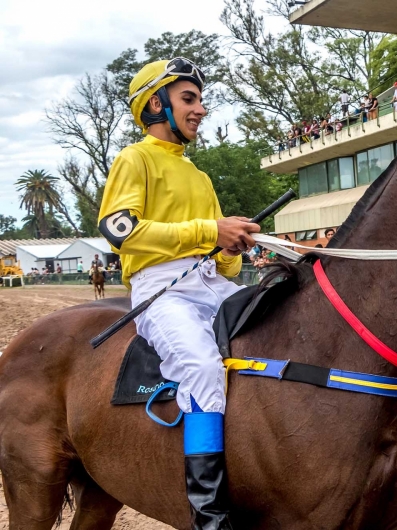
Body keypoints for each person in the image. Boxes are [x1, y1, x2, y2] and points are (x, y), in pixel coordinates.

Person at [98, 58, 261, 527]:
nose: (200, 110)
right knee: (203, 365)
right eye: (188, 99)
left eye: (199, 101)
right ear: (156, 104)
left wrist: (232, 245)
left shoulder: (202, 177)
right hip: (161, 290)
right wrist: (209, 229)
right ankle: (208, 515)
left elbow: (219, 255)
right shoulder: (136, 158)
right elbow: (119, 229)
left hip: (213, 282)